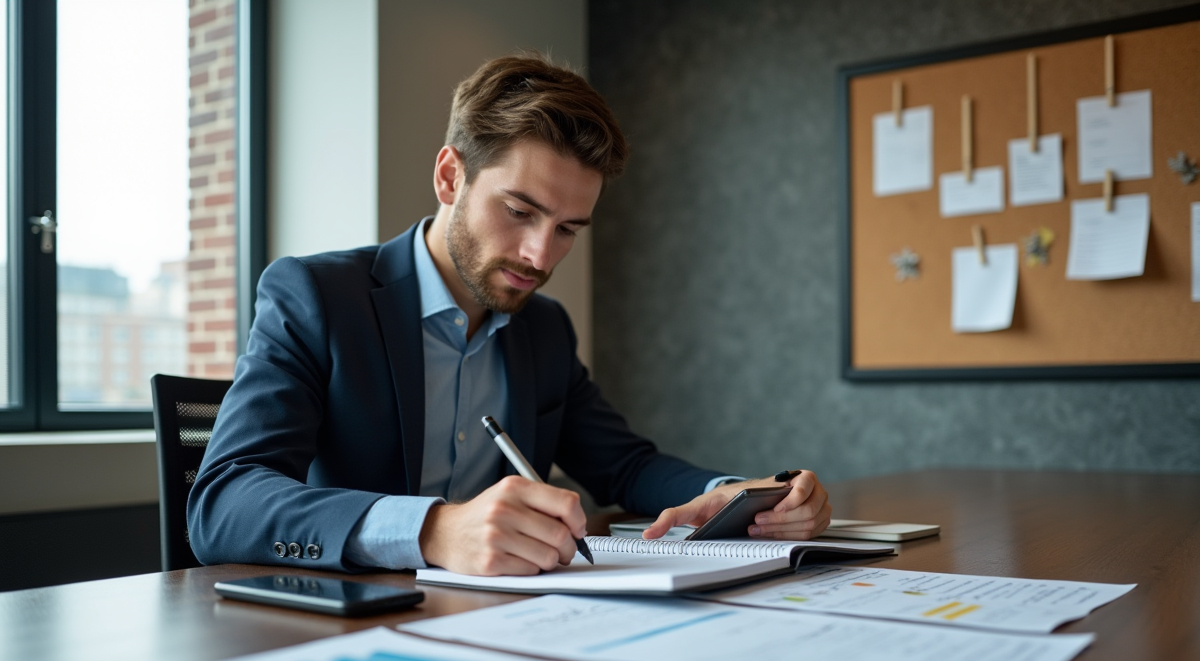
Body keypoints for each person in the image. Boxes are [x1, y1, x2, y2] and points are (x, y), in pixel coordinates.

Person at [188, 54, 831, 577]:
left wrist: (741, 494)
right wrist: (434, 529)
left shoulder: (544, 330)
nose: (539, 254)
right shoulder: (317, 297)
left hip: (501, 627)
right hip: (347, 632)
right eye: (520, 212)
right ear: (449, 177)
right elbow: (223, 504)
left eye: (568, 229)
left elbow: (627, 467)